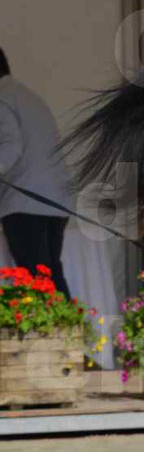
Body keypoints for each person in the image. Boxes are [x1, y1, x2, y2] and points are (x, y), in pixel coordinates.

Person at [0, 47, 74, 296]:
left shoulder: (2, 98)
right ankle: (69, 332)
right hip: (55, 200)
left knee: (34, 277)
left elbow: (10, 146)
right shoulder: (27, 96)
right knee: (50, 274)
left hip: (26, 202)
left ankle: (51, 334)